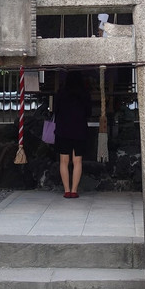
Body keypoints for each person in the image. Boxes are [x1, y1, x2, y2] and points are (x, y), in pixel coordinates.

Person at [52, 70, 91, 198]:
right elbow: (88, 112)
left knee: (63, 161)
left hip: (63, 130)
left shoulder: (61, 94)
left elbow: (55, 110)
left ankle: (66, 190)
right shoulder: (84, 94)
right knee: (77, 161)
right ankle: (74, 191)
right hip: (79, 130)